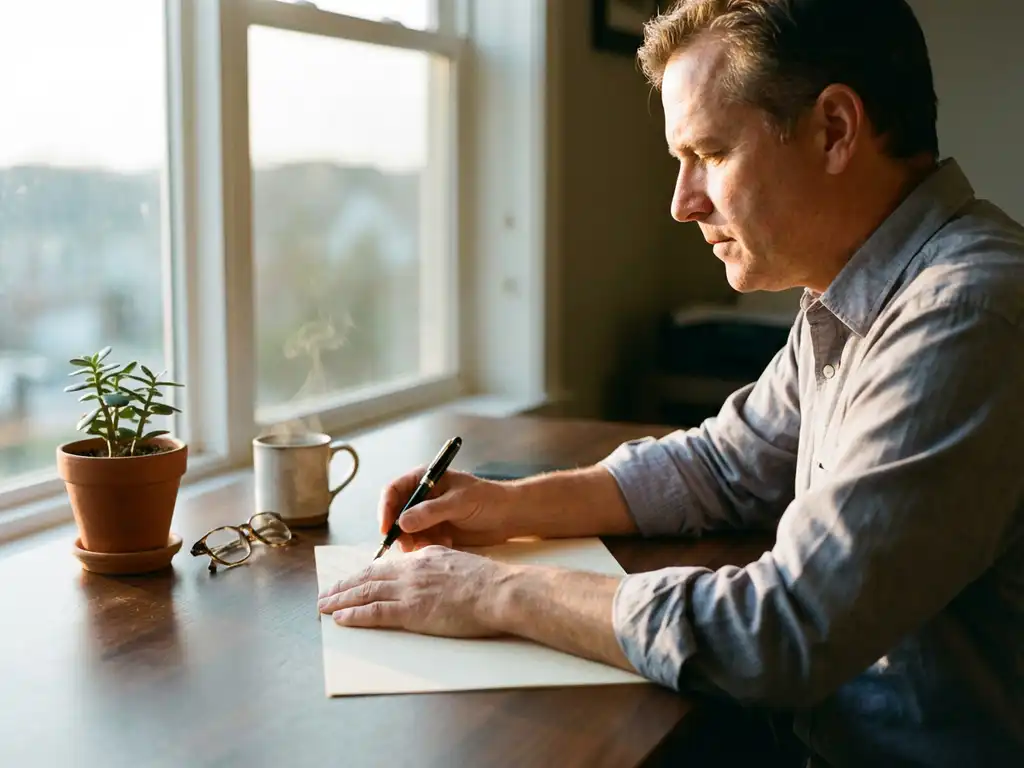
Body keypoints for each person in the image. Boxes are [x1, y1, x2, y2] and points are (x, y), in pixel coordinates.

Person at [318, 0, 1024, 764]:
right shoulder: (853, 294)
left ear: (834, 130)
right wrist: (506, 505)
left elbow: (785, 631)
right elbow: (723, 464)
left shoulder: (966, 313)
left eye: (711, 154)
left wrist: (491, 592)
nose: (682, 202)